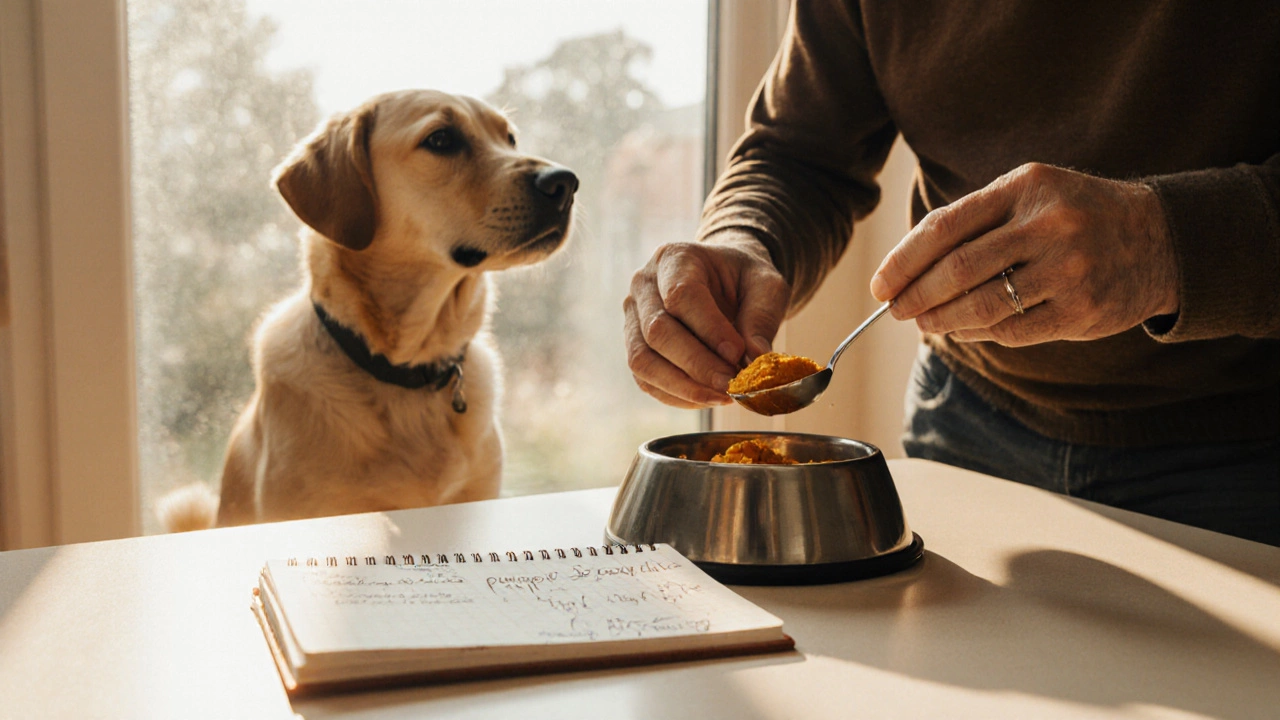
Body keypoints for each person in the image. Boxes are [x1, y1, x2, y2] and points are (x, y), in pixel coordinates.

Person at [623, 1, 1279, 545]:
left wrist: (1161, 243)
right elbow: (799, 150)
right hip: (965, 425)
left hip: (1246, 450)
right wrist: (744, 238)